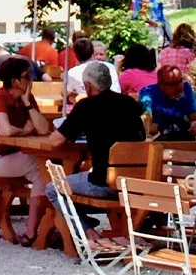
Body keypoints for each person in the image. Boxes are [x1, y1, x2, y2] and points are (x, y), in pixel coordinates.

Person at [45, 62, 146, 237]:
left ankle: (86, 231)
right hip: (133, 181)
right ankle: (90, 223)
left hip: (104, 182)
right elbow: (142, 136)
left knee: (53, 188)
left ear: (88, 86)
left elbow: (55, 142)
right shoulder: (129, 103)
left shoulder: (86, 106)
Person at [0, 55, 52, 246]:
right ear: (15, 81)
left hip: (11, 157)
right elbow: (5, 130)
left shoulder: (26, 98)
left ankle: (36, 229)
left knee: (43, 168)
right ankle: (36, 229)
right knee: (40, 167)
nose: (31, 80)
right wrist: (25, 130)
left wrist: (28, 104)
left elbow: (42, 129)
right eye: (27, 76)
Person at [139, 65, 196, 141]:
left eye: (180, 81)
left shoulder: (186, 89)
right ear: (161, 85)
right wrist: (168, 127)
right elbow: (148, 127)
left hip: (181, 141)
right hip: (157, 143)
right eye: (173, 84)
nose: (179, 87)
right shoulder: (147, 93)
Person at [64, 38, 121, 108]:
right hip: (113, 106)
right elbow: (117, 91)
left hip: (87, 109)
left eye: (101, 54)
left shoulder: (73, 72)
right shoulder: (111, 67)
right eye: (96, 54)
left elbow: (65, 93)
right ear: (92, 53)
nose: (99, 57)